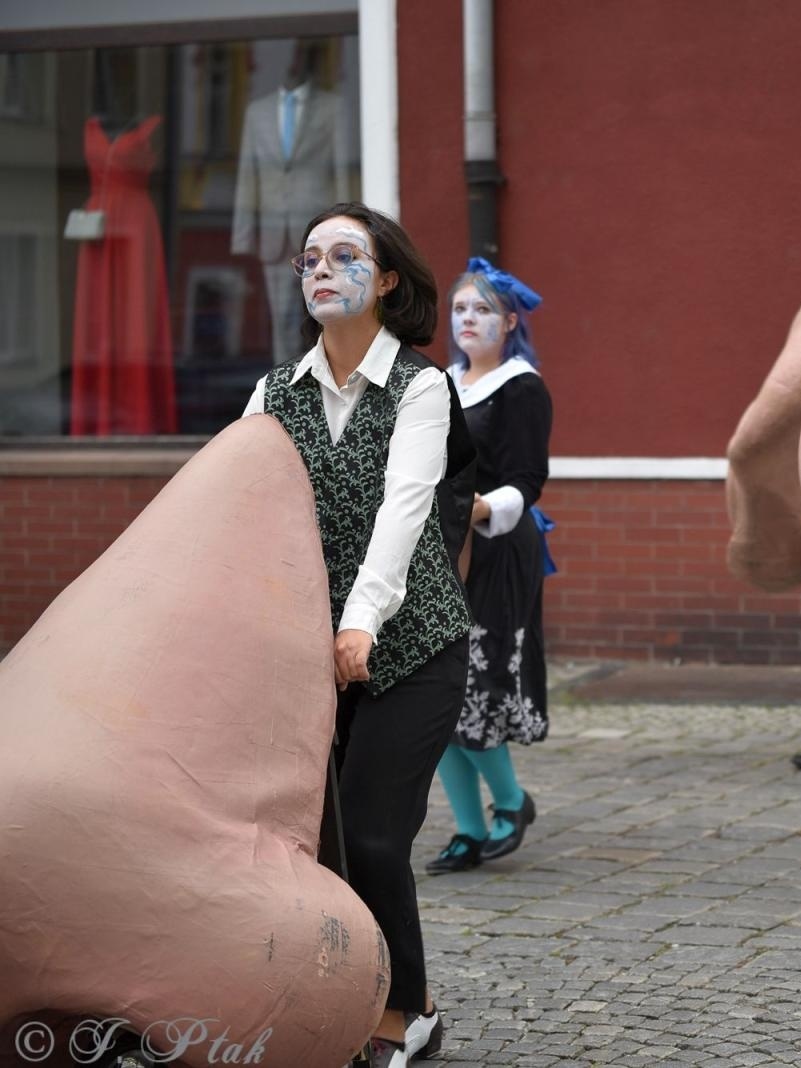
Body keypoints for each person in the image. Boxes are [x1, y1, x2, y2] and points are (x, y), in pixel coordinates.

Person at [242, 202, 469, 1066]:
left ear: (386, 280)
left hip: (414, 647)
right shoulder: (273, 393)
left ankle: (406, 1014)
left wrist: (362, 621)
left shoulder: (421, 387)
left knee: (374, 835)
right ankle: (338, 997)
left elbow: (404, 512)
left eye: (345, 256)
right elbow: (240, 509)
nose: (322, 271)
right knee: (320, 847)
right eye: (309, 260)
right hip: (308, 655)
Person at [424, 258, 553, 873]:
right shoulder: (441, 383)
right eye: (459, 309)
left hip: (495, 549)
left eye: (481, 309)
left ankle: (509, 801)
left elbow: (528, 479)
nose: (467, 319)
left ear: (509, 322)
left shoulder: (521, 387)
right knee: (434, 693)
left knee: (476, 683)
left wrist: (480, 507)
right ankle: (468, 830)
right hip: (439, 546)